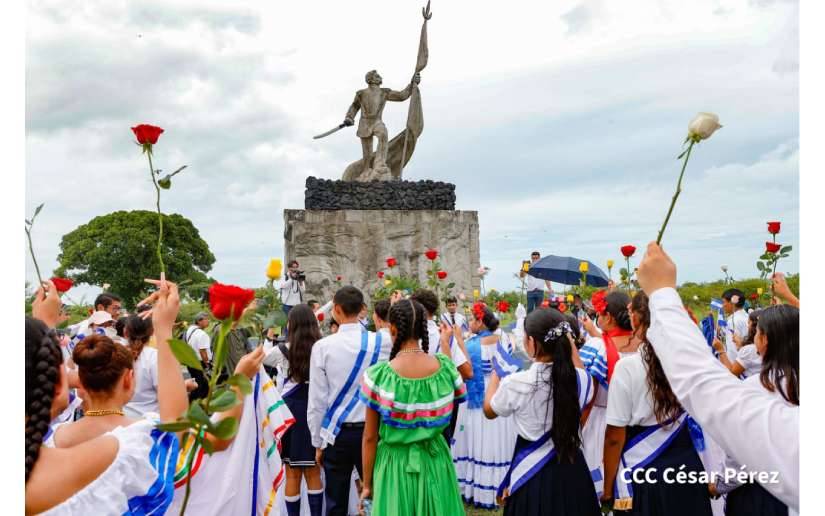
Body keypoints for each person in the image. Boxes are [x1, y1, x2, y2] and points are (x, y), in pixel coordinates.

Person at [636, 242, 798, 512]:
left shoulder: (758, 388)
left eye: (756, 331)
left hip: (756, 494)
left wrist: (662, 295)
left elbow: (705, 387)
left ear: (765, 340)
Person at [25, 278, 185, 514]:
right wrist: (164, 328)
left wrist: (42, 328)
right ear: (129, 378)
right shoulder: (130, 450)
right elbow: (175, 424)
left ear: (80, 381)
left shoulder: (54, 436)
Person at [602, 292, 712, 515]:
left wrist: (607, 489)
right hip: (687, 463)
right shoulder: (690, 360)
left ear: (636, 320)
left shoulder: (627, 368)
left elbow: (615, 437)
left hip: (645, 472)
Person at [482, 308, 600, 516]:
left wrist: (495, 376)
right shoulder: (581, 380)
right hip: (573, 469)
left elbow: (490, 411)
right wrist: (567, 339)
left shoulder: (517, 383)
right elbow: (580, 369)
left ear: (532, 343)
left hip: (533, 476)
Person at [358, 299, 466, 515]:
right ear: (423, 329)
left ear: (393, 329)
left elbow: (369, 437)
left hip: (395, 465)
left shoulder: (379, 377)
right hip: (436, 460)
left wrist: (367, 484)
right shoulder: (445, 370)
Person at [307, 286, 391, 515]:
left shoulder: (323, 347)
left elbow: (317, 401)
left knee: (336, 500)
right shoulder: (382, 342)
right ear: (363, 309)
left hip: (337, 433)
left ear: (336, 310)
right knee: (378, 495)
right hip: (374, 430)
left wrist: (317, 442)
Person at [709, 304, 798, 515]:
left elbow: (740, 457)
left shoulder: (753, 388)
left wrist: (719, 485)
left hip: (762, 492)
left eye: (757, 331)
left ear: (764, 339)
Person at [452, 303, 519, 509]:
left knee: (480, 441)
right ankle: (503, 485)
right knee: (498, 441)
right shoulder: (504, 338)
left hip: (479, 401)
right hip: (500, 396)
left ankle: (481, 486)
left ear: (480, 322)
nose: (470, 323)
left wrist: (458, 342)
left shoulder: (472, 345)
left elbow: (465, 369)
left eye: (473, 319)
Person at [578, 289, 637, 498]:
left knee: (594, 482)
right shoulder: (644, 346)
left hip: (600, 423)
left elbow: (586, 396)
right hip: (638, 426)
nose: (596, 319)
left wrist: (576, 432)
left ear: (608, 317)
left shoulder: (596, 348)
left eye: (598, 314)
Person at [280, 305, 324, 516]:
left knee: (292, 474)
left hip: (290, 414)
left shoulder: (279, 351)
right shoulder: (322, 347)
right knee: (314, 472)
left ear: (292, 324)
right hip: (316, 410)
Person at [121, 315, 160, 418]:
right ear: (152, 332)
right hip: (150, 423)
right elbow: (164, 393)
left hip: (120, 420)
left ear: (125, 332)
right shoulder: (155, 356)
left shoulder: (115, 354)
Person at [713, 310, 762, 378]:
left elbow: (732, 373)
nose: (747, 326)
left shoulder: (750, 350)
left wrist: (721, 350)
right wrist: (742, 345)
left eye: (749, 323)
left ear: (755, 327)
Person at [184, 312, 212, 400]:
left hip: (191, 362)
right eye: (206, 319)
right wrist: (207, 364)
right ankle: (195, 405)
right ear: (199, 321)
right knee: (201, 387)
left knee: (198, 385)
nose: (208, 321)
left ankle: (195, 403)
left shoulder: (189, 330)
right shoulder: (202, 334)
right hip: (200, 363)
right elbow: (203, 351)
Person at [720, 288, 748, 362]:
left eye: (724, 302)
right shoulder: (747, 316)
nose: (723, 306)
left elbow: (733, 350)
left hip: (737, 365)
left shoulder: (733, 321)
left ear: (732, 302)